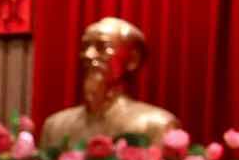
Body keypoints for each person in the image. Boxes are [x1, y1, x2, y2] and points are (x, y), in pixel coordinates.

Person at [40, 17, 177, 150]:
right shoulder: (55, 126)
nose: (88, 55)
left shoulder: (156, 124)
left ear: (133, 60)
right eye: (85, 47)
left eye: (102, 47)